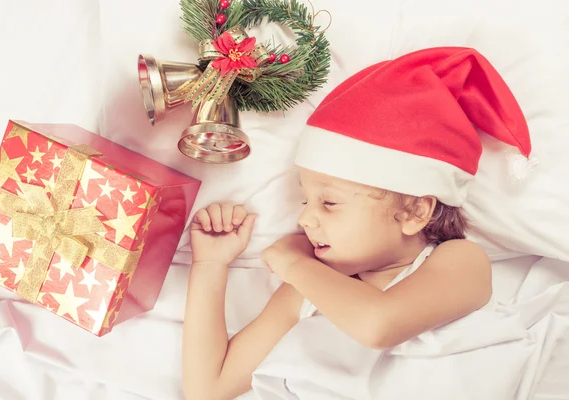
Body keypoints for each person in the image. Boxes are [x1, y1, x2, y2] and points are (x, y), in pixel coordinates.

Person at [181, 46, 533, 400]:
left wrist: (293, 262)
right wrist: (210, 264)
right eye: (306, 200)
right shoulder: (308, 287)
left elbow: (377, 325)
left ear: (414, 212)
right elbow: (208, 390)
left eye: (329, 202)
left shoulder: (459, 261)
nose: (304, 218)